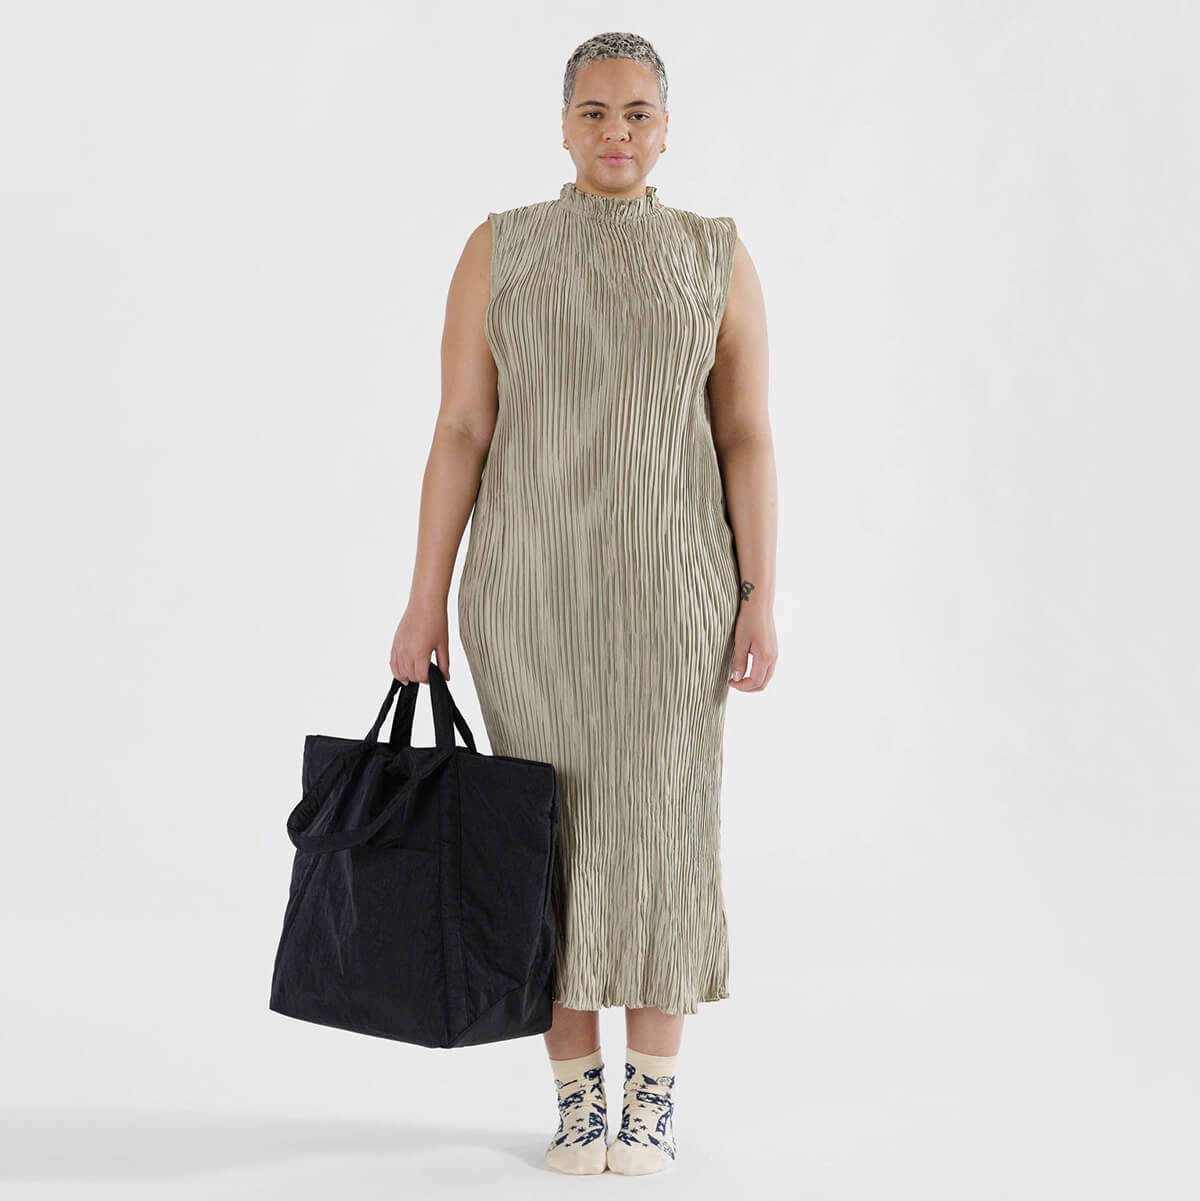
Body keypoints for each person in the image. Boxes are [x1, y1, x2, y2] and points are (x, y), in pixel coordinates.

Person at [389, 31, 777, 1176]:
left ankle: (649, 1101)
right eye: (596, 112)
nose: (618, 132)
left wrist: (758, 594)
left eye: (638, 113)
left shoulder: (713, 255)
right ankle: (576, 1102)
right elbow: (462, 427)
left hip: (675, 595)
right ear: (563, 125)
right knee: (541, 842)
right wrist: (424, 601)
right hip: (529, 596)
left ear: (667, 129)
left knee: (659, 835)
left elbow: (745, 434)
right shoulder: (500, 248)